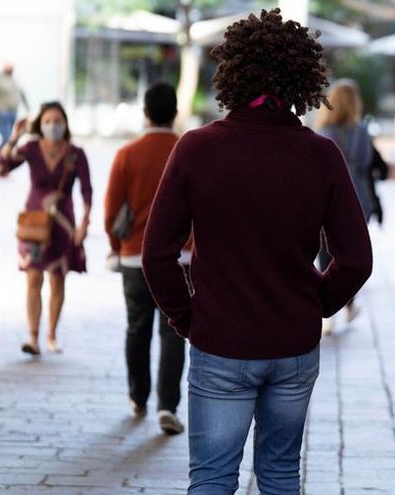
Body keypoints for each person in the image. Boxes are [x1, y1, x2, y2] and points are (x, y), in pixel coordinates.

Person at [141, 9, 372, 494]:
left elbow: (156, 254)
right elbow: (356, 259)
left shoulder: (197, 149)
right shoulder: (320, 155)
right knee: (282, 474)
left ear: (232, 72)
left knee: (211, 479)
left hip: (219, 341)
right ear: (301, 76)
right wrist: (314, 306)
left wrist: (188, 318)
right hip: (292, 344)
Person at [104, 82, 189, 434]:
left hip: (135, 257)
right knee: (173, 332)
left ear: (144, 113)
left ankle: (138, 396)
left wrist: (115, 243)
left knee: (137, 327)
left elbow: (112, 211)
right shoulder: (187, 150)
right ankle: (167, 405)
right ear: (175, 113)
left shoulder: (127, 153)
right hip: (180, 258)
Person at [0, 102, 91, 355]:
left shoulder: (75, 153)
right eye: (48, 120)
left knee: (57, 280)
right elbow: (0, 167)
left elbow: (87, 191)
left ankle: (51, 334)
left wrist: (84, 223)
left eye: (58, 120)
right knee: (33, 277)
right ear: (40, 123)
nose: (53, 125)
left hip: (63, 225)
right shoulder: (30, 148)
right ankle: (33, 337)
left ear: (65, 123)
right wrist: (14, 137)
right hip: (33, 225)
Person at [315, 80, 374, 325]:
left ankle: (325, 308)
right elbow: (365, 160)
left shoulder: (322, 134)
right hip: (358, 194)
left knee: (324, 251)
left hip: (326, 196)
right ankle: (347, 303)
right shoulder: (361, 130)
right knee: (351, 251)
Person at [0, 62, 29, 151]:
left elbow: (22, 94)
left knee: (11, 138)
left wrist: (28, 108)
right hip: (1, 113)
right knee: (8, 138)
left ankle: (1, 160)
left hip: (13, 112)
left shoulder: (14, 80)